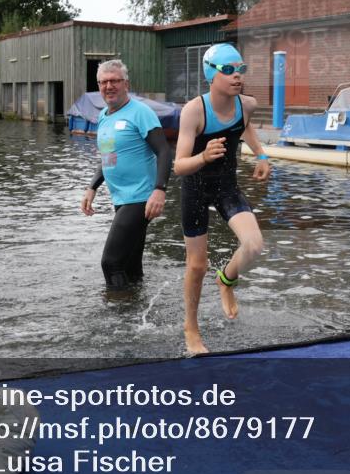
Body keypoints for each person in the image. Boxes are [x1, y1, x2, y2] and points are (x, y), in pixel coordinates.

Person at [174, 43, 271, 354]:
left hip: (226, 187)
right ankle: (191, 328)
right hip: (195, 189)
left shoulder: (247, 104)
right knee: (197, 265)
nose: (237, 75)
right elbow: (178, 165)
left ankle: (226, 280)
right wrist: (203, 156)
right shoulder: (194, 111)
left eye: (240, 69)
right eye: (228, 70)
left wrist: (262, 155)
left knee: (254, 245)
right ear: (210, 74)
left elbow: (246, 128)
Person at [80, 60, 171, 289]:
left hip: (140, 198)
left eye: (114, 81)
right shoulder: (103, 116)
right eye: (103, 82)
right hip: (120, 198)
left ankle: (118, 316)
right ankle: (136, 313)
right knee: (130, 265)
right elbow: (108, 156)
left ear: (126, 84)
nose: (109, 86)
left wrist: (159, 190)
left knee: (110, 263)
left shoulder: (141, 112)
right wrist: (92, 186)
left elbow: (163, 151)